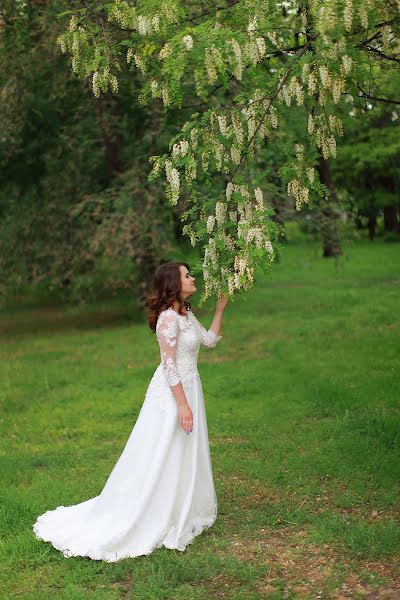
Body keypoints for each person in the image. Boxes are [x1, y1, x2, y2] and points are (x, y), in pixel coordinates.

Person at [32, 261, 228, 561]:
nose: (192, 278)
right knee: (162, 449)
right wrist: (183, 404)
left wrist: (220, 309)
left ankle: (180, 505)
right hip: (173, 393)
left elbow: (209, 341)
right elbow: (169, 365)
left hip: (190, 386)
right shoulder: (167, 320)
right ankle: (150, 509)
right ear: (174, 284)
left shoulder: (186, 315)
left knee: (182, 448)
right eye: (187, 275)